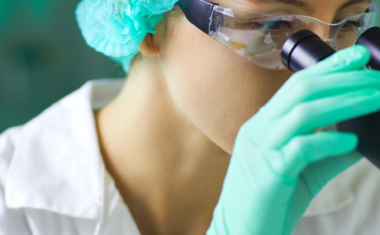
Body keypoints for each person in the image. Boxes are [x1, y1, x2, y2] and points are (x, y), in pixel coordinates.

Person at [1, 0, 380, 234]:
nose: (322, 71)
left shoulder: (368, 195)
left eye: (347, 24)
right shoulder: (10, 209)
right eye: (271, 24)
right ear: (153, 23)